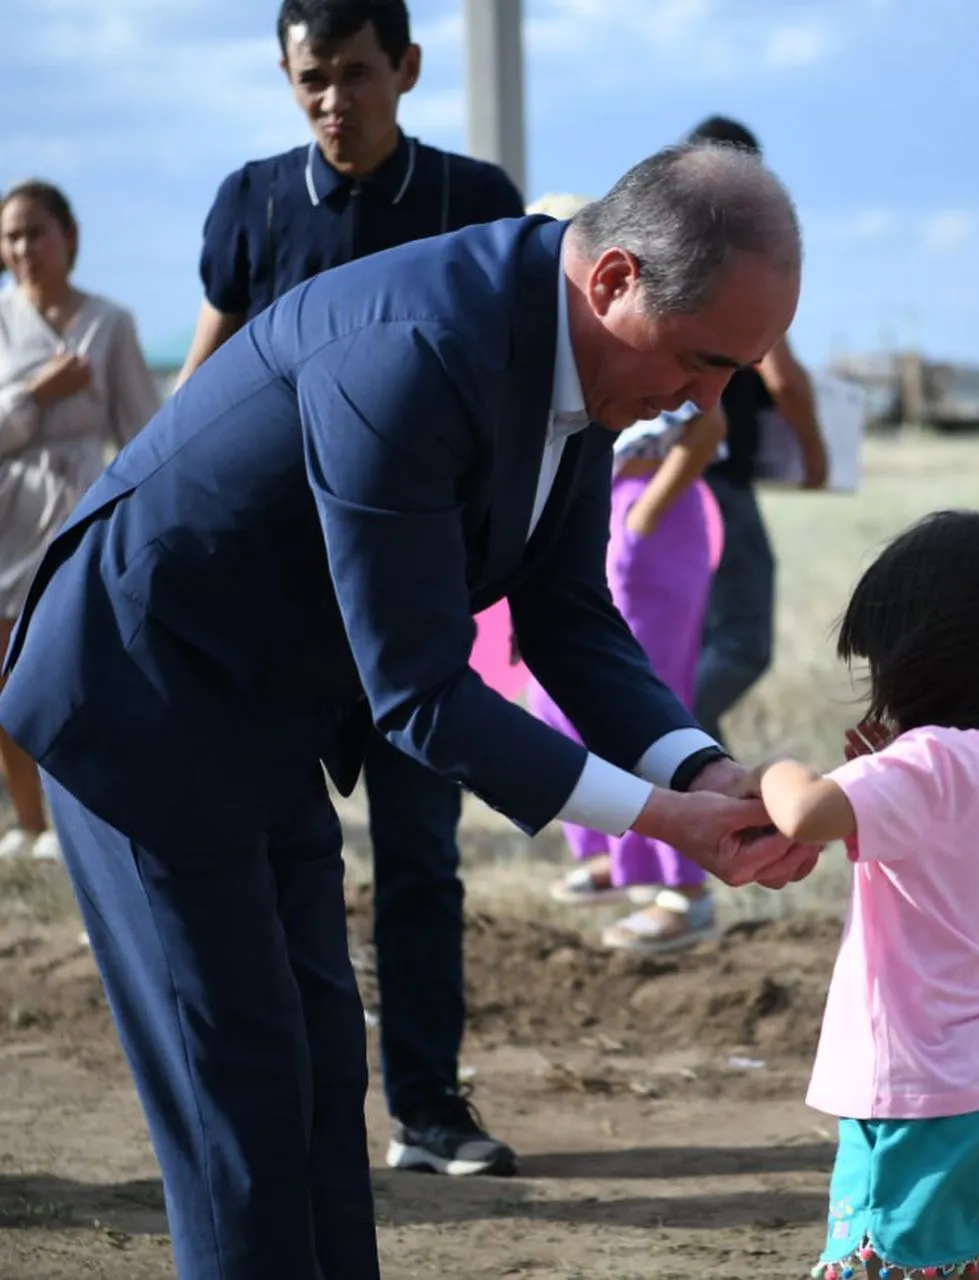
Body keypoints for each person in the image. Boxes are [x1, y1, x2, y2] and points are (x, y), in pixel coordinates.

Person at [0, 142, 821, 1280]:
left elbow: (570, 615)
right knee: (236, 1078)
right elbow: (423, 693)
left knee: (322, 1061)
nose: (705, 401)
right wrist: (648, 818)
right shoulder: (417, 349)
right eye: (701, 360)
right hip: (140, 698)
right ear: (615, 277)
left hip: (272, 706)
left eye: (737, 370)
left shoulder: (577, 360)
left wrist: (694, 771)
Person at [176, 0, 528, 1178]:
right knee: (279, 858)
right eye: (310, 79)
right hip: (277, 607)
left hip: (419, 600)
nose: (334, 102)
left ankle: (426, 1106)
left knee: (421, 859)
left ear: (408, 69)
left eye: (357, 75)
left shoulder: (474, 204)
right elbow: (207, 374)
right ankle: (297, 1108)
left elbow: (512, 381)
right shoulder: (252, 202)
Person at [747, 511, 979, 1280]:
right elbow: (952, 845)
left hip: (917, 1095)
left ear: (926, 657)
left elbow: (801, 812)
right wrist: (880, 772)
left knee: (874, 1265)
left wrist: (775, 769)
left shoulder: (928, 765)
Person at [522, 192, 729, 953]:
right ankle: (620, 858)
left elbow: (710, 423)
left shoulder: (648, 340)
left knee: (646, 697)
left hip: (647, 530)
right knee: (561, 699)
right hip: (604, 524)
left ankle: (682, 888)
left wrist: (642, 518)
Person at [0, 180, 158, 862]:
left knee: (89, 667)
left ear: (69, 236)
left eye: (36, 232)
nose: (23, 248)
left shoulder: (111, 321)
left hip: (84, 511)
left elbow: (142, 431)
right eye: (10, 237)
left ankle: (90, 818)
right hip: (9, 510)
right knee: (7, 673)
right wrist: (36, 396)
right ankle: (28, 822)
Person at [685, 116, 830, 745]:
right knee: (742, 644)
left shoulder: (668, 255)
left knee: (683, 636)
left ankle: (686, 763)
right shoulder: (739, 265)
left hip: (651, 483)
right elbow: (786, 379)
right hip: (716, 484)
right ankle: (666, 729)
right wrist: (816, 456)